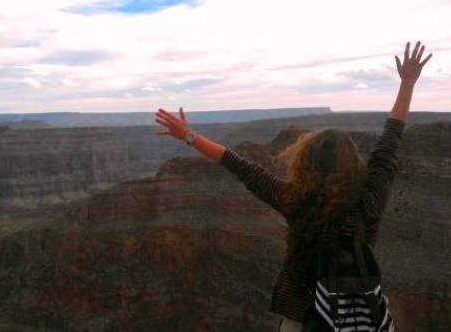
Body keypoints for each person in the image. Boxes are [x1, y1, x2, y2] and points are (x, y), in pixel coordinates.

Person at [155, 42, 432, 331]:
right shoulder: (369, 199)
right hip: (361, 313)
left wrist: (190, 137)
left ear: (306, 161)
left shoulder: (296, 199)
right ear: (353, 161)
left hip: (302, 316)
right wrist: (407, 84)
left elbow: (242, 168)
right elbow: (389, 143)